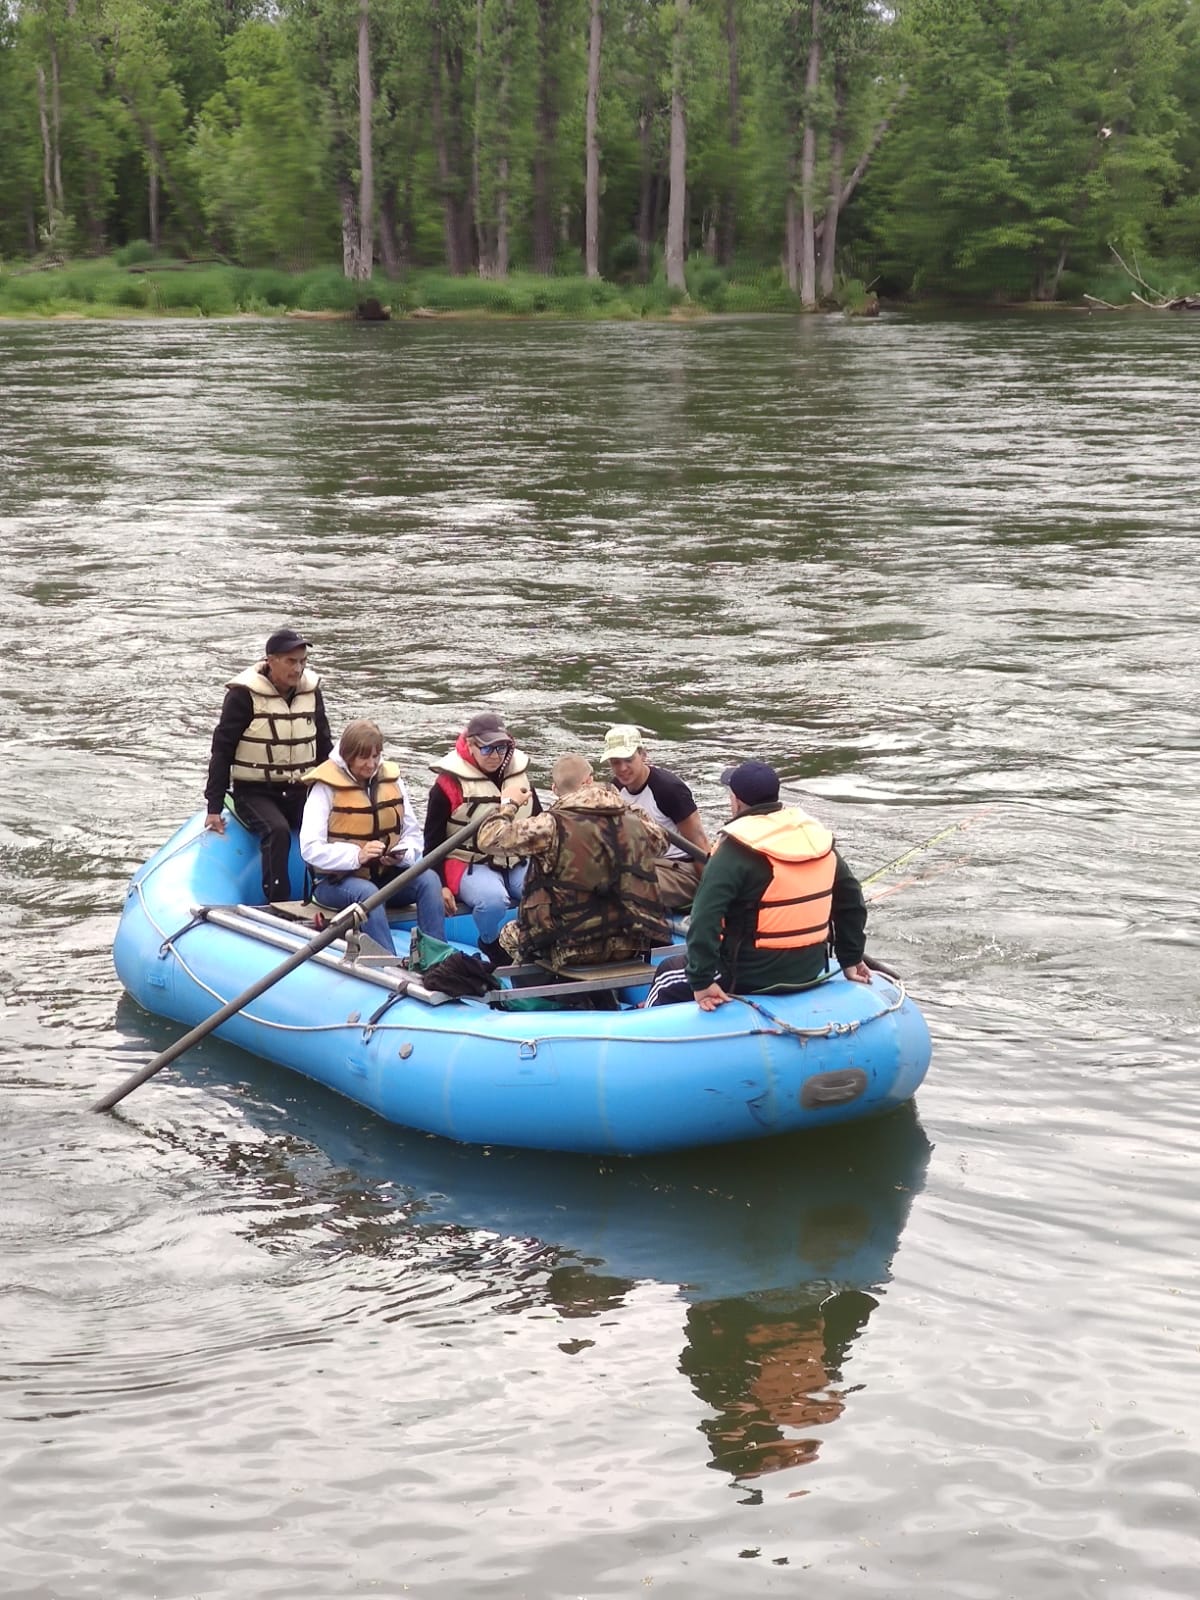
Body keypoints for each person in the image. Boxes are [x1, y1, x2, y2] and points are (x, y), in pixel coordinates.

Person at [644, 760, 869, 1009]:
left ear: (737, 801)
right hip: (809, 968)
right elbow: (852, 902)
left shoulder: (733, 850)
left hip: (749, 974)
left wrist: (701, 981)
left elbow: (705, 918)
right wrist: (850, 958)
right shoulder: (817, 841)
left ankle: (642, 1030)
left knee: (667, 972)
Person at [475, 752, 672, 970]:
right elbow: (662, 843)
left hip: (569, 949)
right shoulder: (634, 821)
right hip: (632, 941)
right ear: (591, 780)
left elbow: (488, 839)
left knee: (508, 934)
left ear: (554, 790)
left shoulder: (549, 826)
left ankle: (549, 990)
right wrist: (623, 805)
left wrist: (509, 804)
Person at [300, 720, 452, 953]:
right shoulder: (325, 788)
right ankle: (387, 961)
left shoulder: (392, 780)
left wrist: (401, 856)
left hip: (383, 876)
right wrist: (357, 856)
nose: (371, 764)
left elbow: (412, 834)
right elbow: (310, 848)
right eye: (364, 758)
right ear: (348, 756)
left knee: (428, 879)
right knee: (368, 893)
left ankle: (435, 956)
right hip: (335, 884)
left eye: (375, 756)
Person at [204, 628, 333, 903]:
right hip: (255, 792)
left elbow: (324, 747)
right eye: (290, 661)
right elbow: (222, 750)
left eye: (302, 661)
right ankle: (279, 903)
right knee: (277, 831)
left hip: (300, 789)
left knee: (334, 825)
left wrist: (341, 791)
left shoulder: (311, 693)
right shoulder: (243, 696)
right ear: (270, 660)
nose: (298, 668)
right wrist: (214, 806)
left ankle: (329, 895)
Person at [424, 711, 543, 943]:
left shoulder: (518, 775)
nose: (495, 756)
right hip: (468, 861)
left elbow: (538, 821)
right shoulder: (447, 785)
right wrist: (439, 885)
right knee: (493, 901)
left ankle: (531, 942)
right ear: (470, 744)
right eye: (487, 749)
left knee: (542, 892)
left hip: (514, 858)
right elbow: (432, 842)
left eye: (501, 748)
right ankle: (490, 942)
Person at [602, 725, 710, 909]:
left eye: (628, 760)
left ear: (643, 755)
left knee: (625, 887)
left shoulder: (669, 790)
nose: (622, 769)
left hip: (681, 870)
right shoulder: (616, 788)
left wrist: (711, 898)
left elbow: (699, 842)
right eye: (615, 762)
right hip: (644, 864)